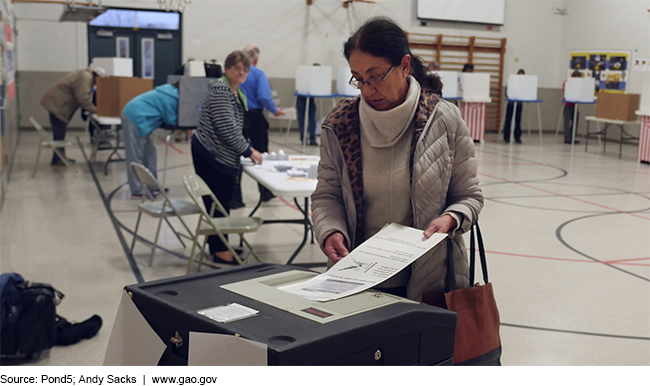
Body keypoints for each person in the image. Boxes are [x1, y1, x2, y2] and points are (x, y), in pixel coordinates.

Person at [311, 17, 484, 301]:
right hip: (357, 278)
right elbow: (326, 195)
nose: (367, 89)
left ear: (404, 65)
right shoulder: (340, 125)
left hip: (431, 277)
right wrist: (330, 231)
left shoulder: (443, 119)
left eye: (376, 76)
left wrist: (451, 219)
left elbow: (469, 196)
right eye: (359, 79)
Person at [191, 50, 263, 265]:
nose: (241, 72)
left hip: (218, 153)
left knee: (220, 203)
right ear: (227, 70)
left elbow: (236, 126)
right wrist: (248, 151)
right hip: (213, 154)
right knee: (217, 204)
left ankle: (220, 244)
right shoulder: (222, 90)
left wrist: (246, 147)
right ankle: (219, 250)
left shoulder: (234, 91)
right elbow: (226, 128)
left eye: (245, 69)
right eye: (236, 68)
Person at [233, 44, 285, 207]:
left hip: (237, 114)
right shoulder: (257, 73)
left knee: (236, 154)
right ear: (256, 59)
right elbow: (263, 96)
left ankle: (235, 199)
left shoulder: (235, 74)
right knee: (261, 154)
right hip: (255, 117)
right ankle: (265, 192)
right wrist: (275, 110)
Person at [122, 82, 179, 198]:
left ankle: (152, 185)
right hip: (135, 117)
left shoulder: (168, 91)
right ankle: (137, 190)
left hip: (142, 118)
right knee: (135, 155)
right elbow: (171, 119)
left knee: (150, 154)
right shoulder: (172, 97)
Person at [40, 65, 106, 165]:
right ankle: (58, 159)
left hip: (56, 103)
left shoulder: (84, 74)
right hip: (57, 105)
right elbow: (83, 98)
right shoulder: (85, 78)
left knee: (59, 133)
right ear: (97, 77)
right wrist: (97, 111)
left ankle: (59, 157)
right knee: (59, 133)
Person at [296, 63, 320, 146]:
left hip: (311, 99)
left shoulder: (317, 78)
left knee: (312, 120)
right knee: (302, 119)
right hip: (301, 98)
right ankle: (303, 138)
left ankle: (312, 139)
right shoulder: (305, 76)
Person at [503, 69, 526, 144]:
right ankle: (506, 137)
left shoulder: (524, 84)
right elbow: (506, 93)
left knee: (518, 120)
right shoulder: (511, 82)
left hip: (519, 104)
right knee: (508, 120)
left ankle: (517, 137)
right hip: (511, 103)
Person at [563, 70, 583, 144]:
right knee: (567, 122)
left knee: (575, 120)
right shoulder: (567, 82)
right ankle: (567, 137)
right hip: (568, 104)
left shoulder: (578, 84)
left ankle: (572, 136)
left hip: (575, 104)